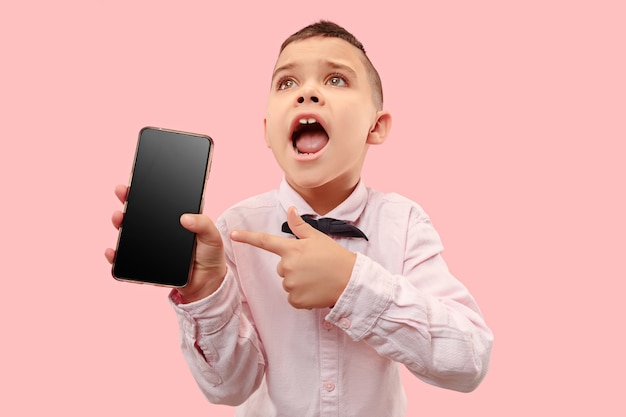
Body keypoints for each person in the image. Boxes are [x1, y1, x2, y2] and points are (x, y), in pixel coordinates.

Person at [106, 20, 493, 417]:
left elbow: (470, 361)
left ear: (376, 127)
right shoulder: (235, 230)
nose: (307, 92)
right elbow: (229, 389)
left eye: (337, 80)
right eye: (287, 83)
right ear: (268, 132)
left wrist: (352, 284)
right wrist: (205, 293)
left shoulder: (404, 222)